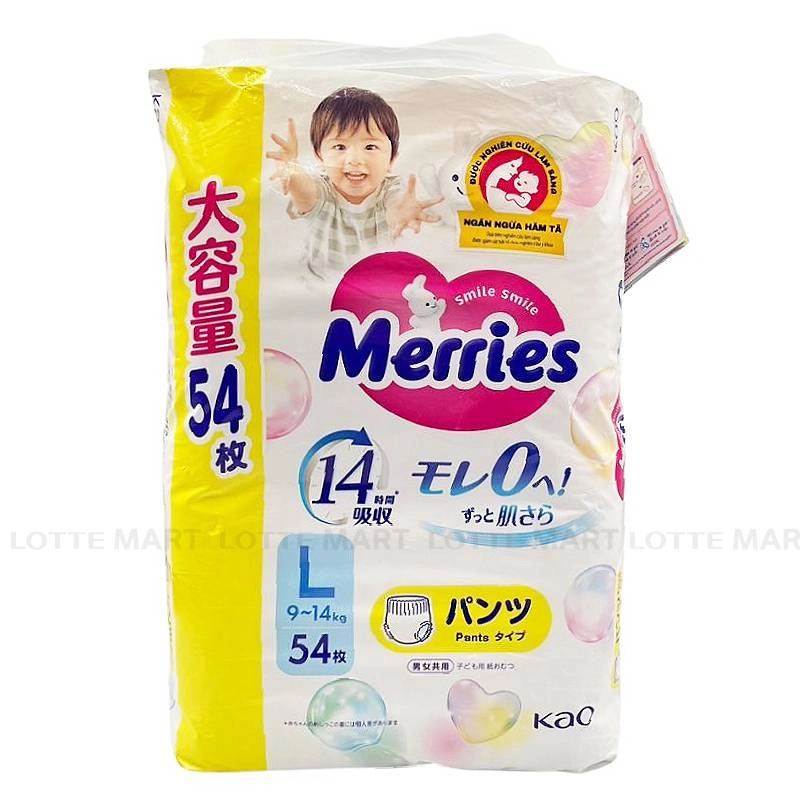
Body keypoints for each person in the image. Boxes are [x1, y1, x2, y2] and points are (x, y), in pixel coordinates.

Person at [267, 87, 442, 278]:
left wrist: (403, 211)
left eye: (370, 146)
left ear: (392, 159)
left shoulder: (390, 190)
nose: (355, 159)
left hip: (375, 287)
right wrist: (292, 169)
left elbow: (396, 202)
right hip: (320, 287)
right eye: (340, 146)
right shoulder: (322, 191)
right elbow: (305, 193)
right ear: (320, 156)